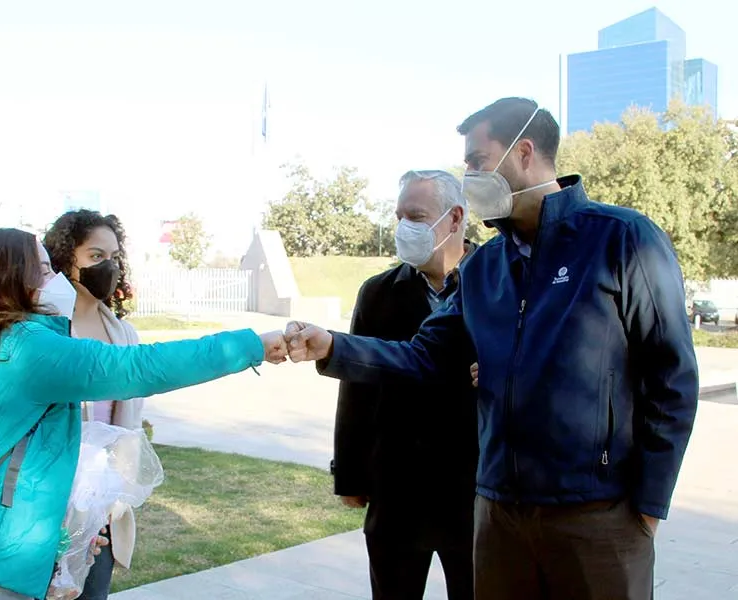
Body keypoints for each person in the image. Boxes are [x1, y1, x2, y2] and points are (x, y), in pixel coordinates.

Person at [285, 97, 699, 600]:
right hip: (498, 514)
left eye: (477, 160)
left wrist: (649, 505)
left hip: (597, 515)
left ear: (524, 152)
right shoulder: (486, 269)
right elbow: (423, 356)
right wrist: (332, 347)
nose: (468, 173)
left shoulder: (622, 239)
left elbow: (671, 377)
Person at [0, 228, 288, 600]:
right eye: (43, 268)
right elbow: (141, 368)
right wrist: (252, 344)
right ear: (13, 278)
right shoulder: (27, 349)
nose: (55, 276)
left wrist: (68, 533)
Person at [333, 170, 477, 600]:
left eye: (416, 215)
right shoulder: (378, 293)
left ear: (454, 219)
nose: (404, 228)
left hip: (472, 489)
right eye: (399, 216)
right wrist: (350, 475)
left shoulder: (498, 279)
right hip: (397, 488)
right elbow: (355, 387)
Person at [43, 210, 144, 600]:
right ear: (66, 258)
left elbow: (131, 422)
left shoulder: (124, 333)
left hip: (101, 514)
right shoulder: (46, 330)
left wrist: (118, 495)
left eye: (114, 256)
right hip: (46, 508)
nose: (109, 267)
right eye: (96, 256)